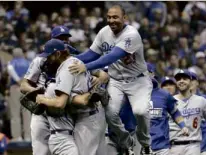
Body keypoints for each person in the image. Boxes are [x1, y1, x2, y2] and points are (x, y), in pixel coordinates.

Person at [69, 5, 153, 154]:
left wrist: (85, 67)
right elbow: (91, 54)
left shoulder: (131, 34)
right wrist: (69, 59)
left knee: (140, 112)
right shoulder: (104, 32)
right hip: (116, 81)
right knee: (110, 114)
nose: (111, 20)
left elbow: (110, 57)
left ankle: (145, 144)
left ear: (124, 18)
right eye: (109, 17)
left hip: (138, 81)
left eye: (115, 17)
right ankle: (127, 143)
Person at [20, 26, 109, 155]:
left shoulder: (73, 59)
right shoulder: (42, 59)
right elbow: (24, 85)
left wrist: (98, 79)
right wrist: (39, 94)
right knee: (41, 151)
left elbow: (103, 75)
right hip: (44, 112)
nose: (64, 41)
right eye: (60, 39)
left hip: (67, 111)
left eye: (66, 39)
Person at [169, 70, 206, 155]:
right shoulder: (169, 101)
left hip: (194, 145)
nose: (181, 81)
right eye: (178, 79)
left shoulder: (201, 100)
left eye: (184, 79)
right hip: (174, 145)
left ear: (190, 81)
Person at [7, 48, 30, 141]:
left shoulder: (12, 62)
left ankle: (17, 137)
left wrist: (17, 80)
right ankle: (28, 137)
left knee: (15, 113)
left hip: (15, 87)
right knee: (27, 113)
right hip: (26, 88)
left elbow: (10, 69)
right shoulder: (28, 62)